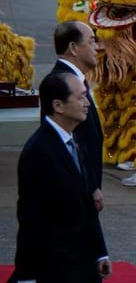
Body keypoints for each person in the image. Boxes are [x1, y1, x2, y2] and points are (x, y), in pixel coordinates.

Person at [10, 72, 111, 283]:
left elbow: (87, 205)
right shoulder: (39, 151)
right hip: (55, 269)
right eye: (81, 97)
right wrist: (27, 276)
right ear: (58, 105)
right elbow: (31, 219)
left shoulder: (75, 141)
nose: (87, 104)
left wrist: (100, 252)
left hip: (82, 266)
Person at [52, 20, 105, 211]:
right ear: (73, 48)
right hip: (76, 195)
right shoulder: (61, 83)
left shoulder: (74, 80)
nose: (97, 47)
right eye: (91, 42)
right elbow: (69, 142)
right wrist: (90, 187)